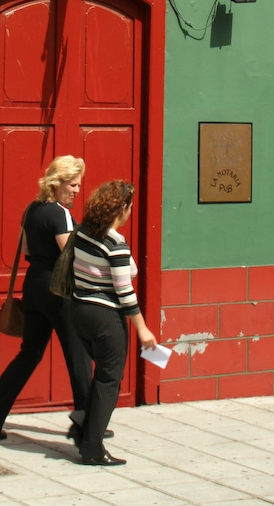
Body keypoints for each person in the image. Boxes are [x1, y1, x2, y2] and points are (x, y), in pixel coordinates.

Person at [0, 155, 92, 440]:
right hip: (59, 289)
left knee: (29, 354)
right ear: (57, 183)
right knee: (78, 354)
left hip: (34, 286)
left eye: (78, 185)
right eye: (72, 185)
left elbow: (26, 248)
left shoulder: (32, 209)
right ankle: (88, 425)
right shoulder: (60, 214)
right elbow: (71, 256)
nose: (77, 190)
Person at [70, 179, 157, 467]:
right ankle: (92, 448)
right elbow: (124, 291)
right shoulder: (115, 243)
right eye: (130, 207)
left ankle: (82, 427)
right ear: (122, 209)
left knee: (102, 376)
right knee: (109, 380)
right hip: (106, 317)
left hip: (80, 310)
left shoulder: (83, 231)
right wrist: (142, 329)